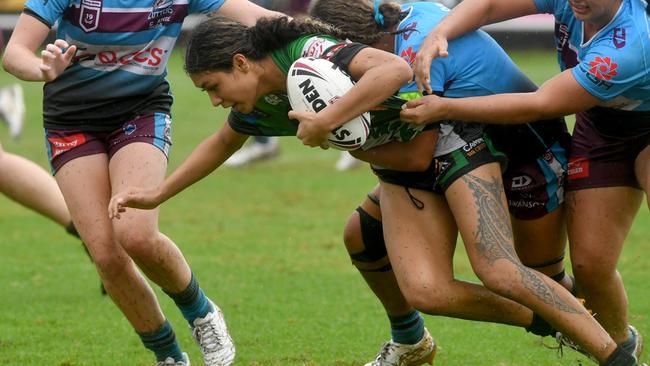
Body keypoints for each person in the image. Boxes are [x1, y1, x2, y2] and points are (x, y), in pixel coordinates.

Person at [109, 14, 637, 366]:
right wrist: (158, 196)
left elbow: (395, 70)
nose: (216, 101)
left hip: (451, 142)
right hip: (403, 170)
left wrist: (328, 122)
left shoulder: (305, 53)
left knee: (499, 269)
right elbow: (217, 146)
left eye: (214, 88)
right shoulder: (258, 105)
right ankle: (552, 317)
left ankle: (617, 357)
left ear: (241, 64)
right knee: (426, 291)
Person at [1, 0, 283, 365]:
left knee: (135, 233)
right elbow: (14, 53)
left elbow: (257, 16)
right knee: (106, 255)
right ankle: (168, 356)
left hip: (140, 112)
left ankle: (201, 313)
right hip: (70, 120)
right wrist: (42, 67)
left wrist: (325, 42)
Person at [308, 0, 575, 363]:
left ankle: (614, 338)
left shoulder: (414, 62)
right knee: (364, 234)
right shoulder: (402, 16)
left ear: (356, 43)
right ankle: (410, 342)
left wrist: (351, 146)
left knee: (544, 282)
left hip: (530, 149)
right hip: (464, 147)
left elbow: (416, 153)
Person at [401, 0, 649, 362]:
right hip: (601, 128)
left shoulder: (631, 43)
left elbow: (541, 103)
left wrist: (445, 107)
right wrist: (439, 32)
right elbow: (487, 6)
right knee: (590, 266)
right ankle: (621, 345)